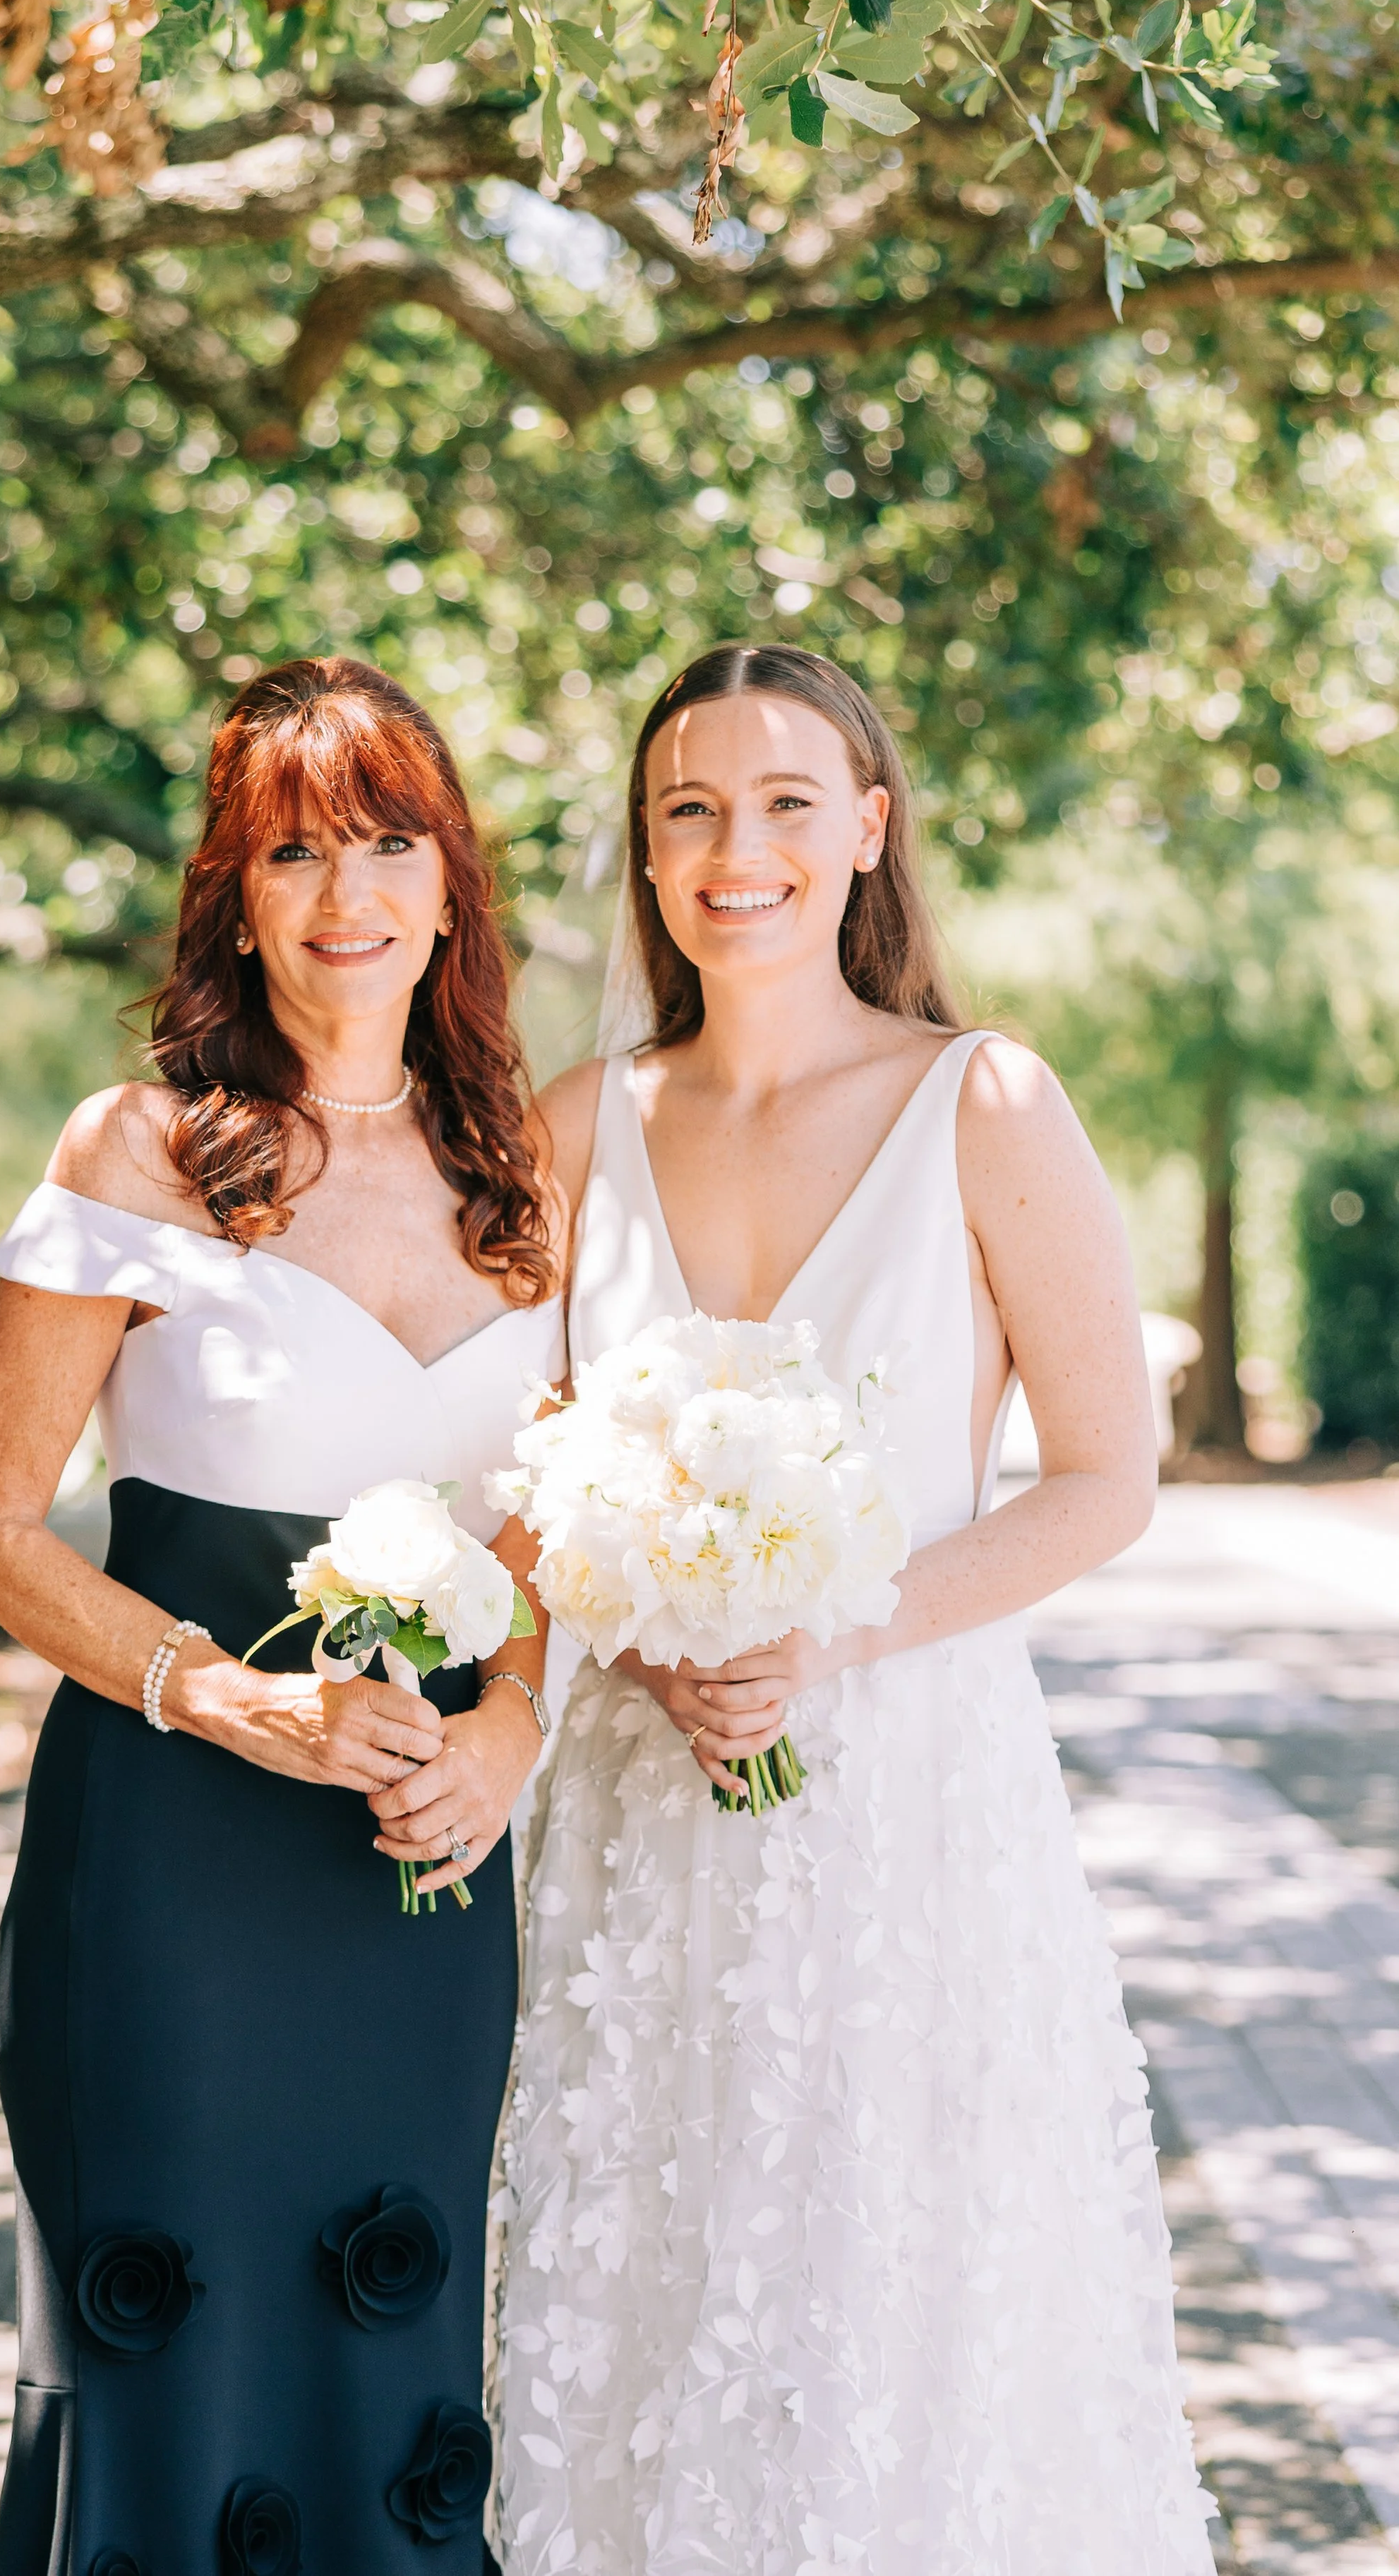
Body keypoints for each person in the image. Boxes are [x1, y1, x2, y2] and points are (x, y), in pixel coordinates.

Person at [496, 644, 1213, 2575]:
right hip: (643, 1823)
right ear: (648, 857)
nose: (737, 847)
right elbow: (523, 1483)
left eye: (786, 802)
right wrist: (638, 1630)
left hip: (909, 1813)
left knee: (904, 2315)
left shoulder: (984, 1099)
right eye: (690, 810)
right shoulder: (577, 1127)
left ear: (870, 828)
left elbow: (1103, 1475)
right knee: (645, 2302)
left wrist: (832, 1631)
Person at [0, 658, 561, 2576]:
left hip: (422, 1880)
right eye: (294, 852)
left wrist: (510, 1725)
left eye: (387, 845)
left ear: (451, 887)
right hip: (167, 1862)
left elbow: (555, 1524)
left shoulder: (534, 1173)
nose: (344, 894)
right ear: (235, 891)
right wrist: (226, 1701)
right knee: (172, 2369)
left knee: (393, 2377)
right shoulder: (134, 1149)